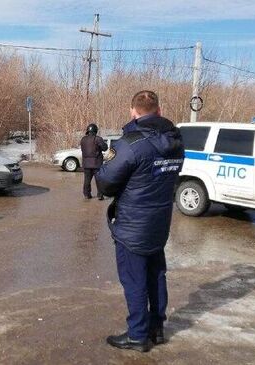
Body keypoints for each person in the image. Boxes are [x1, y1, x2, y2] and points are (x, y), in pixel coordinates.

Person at [96, 90, 184, 353]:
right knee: (156, 275)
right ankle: (156, 329)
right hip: (159, 221)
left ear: (133, 111)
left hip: (133, 225)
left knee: (135, 281)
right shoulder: (176, 141)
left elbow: (105, 182)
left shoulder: (130, 143)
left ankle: (137, 335)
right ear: (159, 110)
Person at [80, 123, 107, 200]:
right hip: (96, 163)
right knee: (99, 180)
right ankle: (100, 195)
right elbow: (104, 148)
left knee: (87, 180)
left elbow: (83, 150)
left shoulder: (83, 139)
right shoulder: (98, 139)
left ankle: (86, 194)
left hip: (86, 164)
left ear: (88, 131)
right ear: (95, 131)